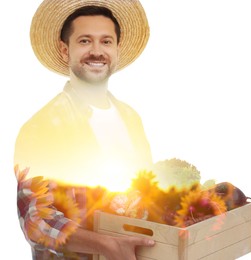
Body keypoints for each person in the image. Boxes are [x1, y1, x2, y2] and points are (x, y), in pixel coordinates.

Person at [13, 0, 156, 259]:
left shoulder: (131, 118)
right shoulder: (41, 127)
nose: (97, 51)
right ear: (65, 50)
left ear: (117, 49)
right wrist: (107, 246)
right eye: (84, 41)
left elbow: (144, 194)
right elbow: (36, 223)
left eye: (106, 41)